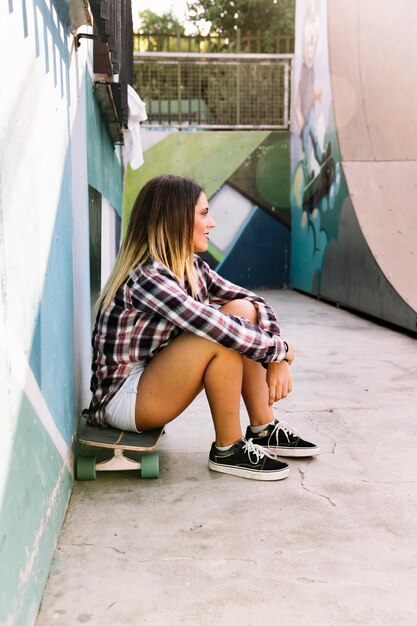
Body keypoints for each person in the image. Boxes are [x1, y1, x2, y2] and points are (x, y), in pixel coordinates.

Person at [83, 174, 319, 481]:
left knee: (242, 310)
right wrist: (281, 352)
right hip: (123, 399)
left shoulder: (190, 266)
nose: (212, 223)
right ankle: (228, 448)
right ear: (176, 219)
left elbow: (254, 302)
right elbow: (216, 328)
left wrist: (275, 356)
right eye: (204, 214)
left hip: (151, 381)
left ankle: (262, 428)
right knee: (219, 338)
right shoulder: (149, 278)